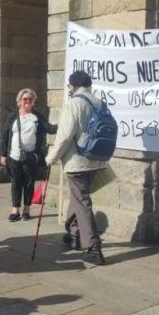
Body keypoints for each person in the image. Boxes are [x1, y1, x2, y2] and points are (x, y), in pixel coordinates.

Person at [45, 71, 107, 265]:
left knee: (82, 201)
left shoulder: (74, 104)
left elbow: (64, 136)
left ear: (74, 85)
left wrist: (51, 158)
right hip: (96, 159)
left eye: (69, 86)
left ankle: (93, 247)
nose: (68, 89)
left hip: (77, 161)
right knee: (78, 197)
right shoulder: (99, 102)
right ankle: (73, 233)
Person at [0, 88, 57, 221]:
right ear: (19, 101)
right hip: (14, 156)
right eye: (25, 99)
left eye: (30, 99)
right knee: (16, 182)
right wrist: (3, 154)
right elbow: (4, 136)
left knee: (29, 183)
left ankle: (27, 208)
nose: (28, 102)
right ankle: (15, 209)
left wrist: (65, 125)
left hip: (31, 156)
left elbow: (50, 129)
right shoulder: (13, 116)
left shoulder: (37, 116)